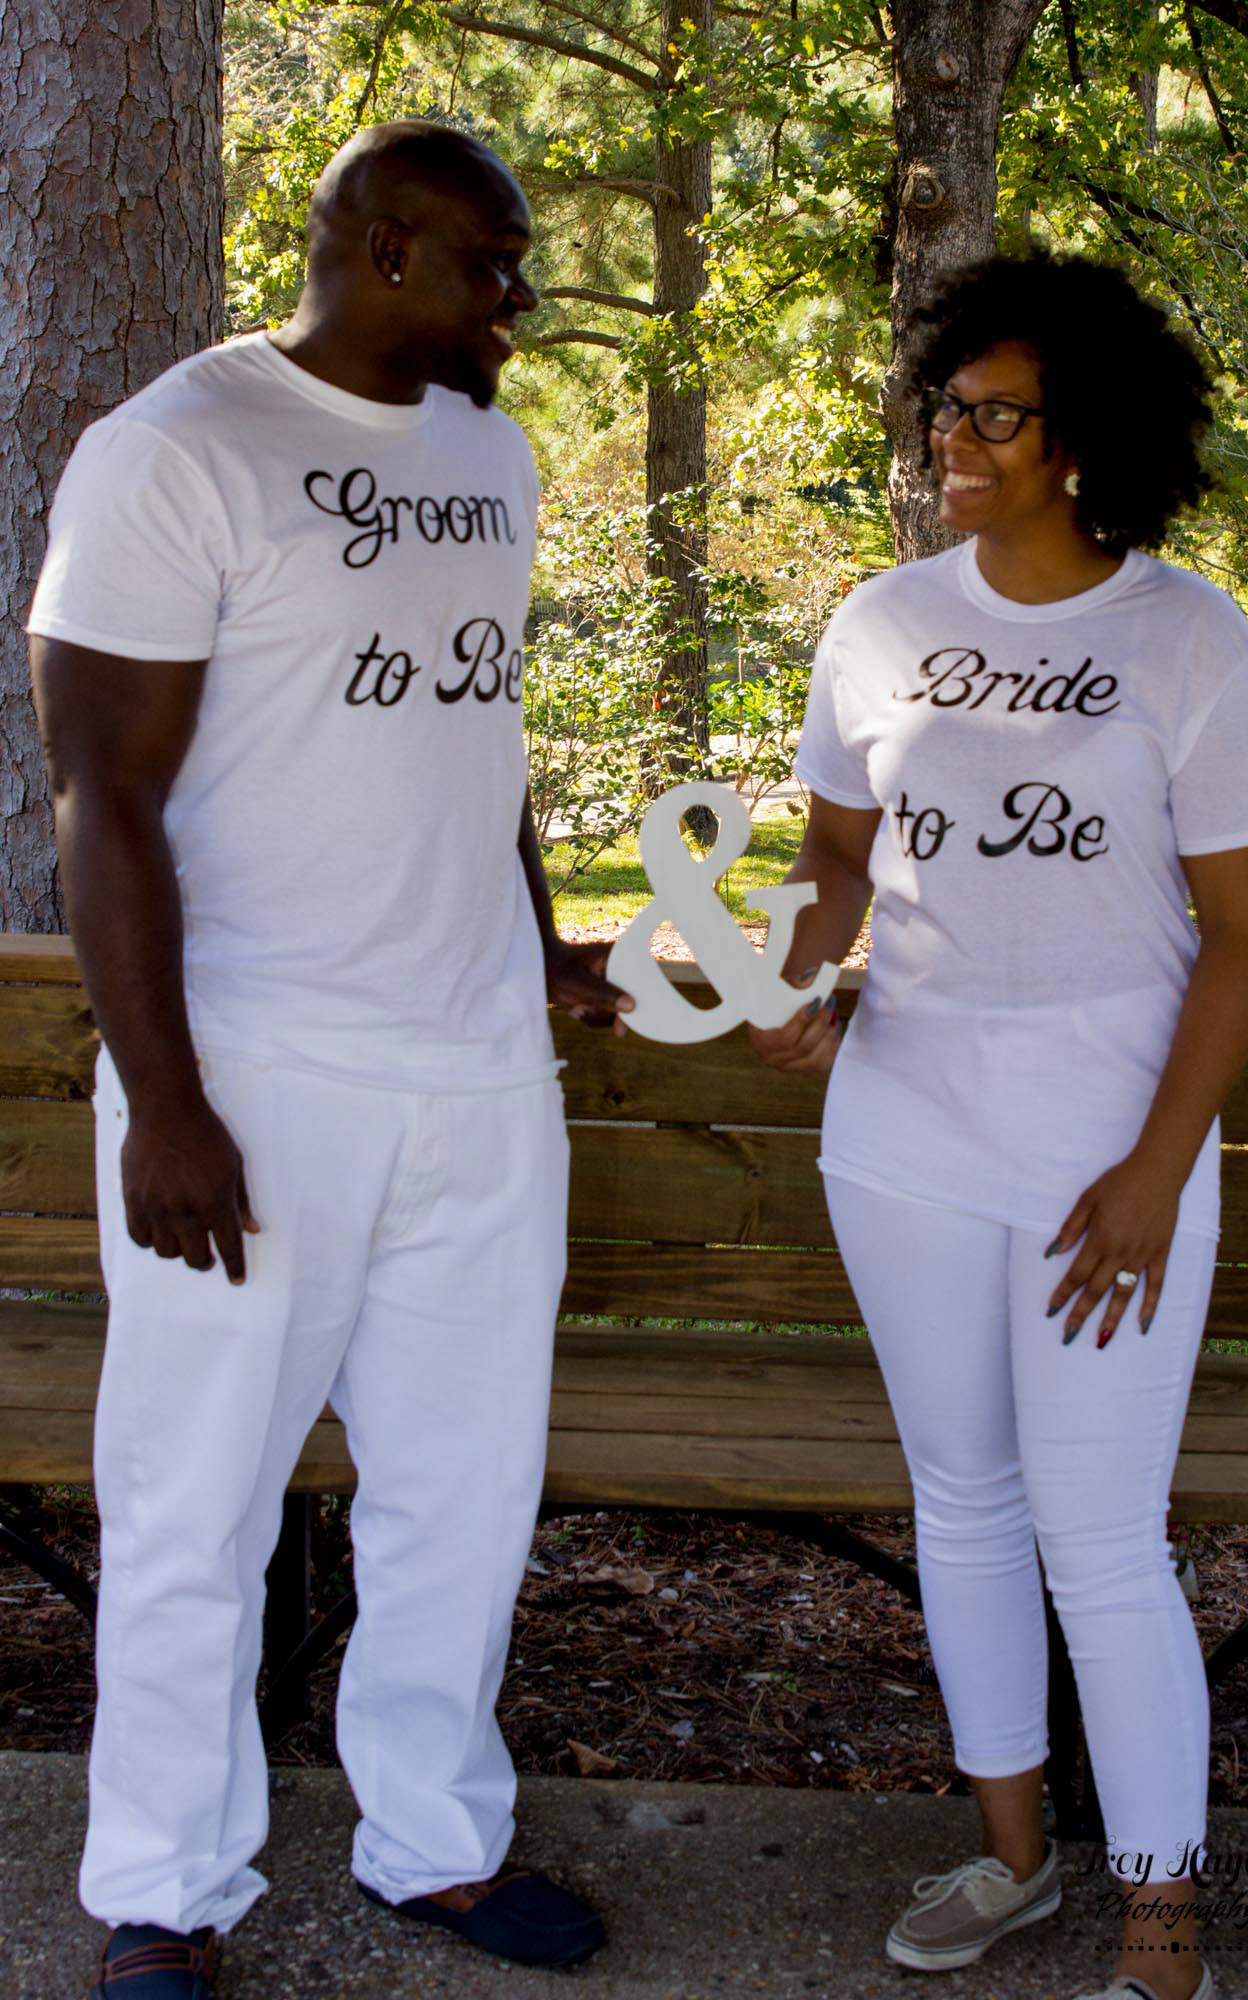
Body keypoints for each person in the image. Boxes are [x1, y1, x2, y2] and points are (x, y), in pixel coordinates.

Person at [28, 120, 628, 2000]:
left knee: (462, 1490)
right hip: (257, 1074)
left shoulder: (489, 452)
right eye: (492, 264)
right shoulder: (176, 450)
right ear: (382, 248)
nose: (518, 300)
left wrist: (539, 945)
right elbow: (102, 798)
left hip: (476, 1073)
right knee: (195, 1499)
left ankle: (432, 1846)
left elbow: (477, 730)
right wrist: (167, 1103)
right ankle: (164, 1891)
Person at [750, 252, 1248, 2000]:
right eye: (949, 407)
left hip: (1103, 1158)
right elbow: (834, 857)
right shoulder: (879, 621)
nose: (956, 442)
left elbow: (1239, 938)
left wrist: (1154, 1170)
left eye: (998, 417)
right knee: (963, 1503)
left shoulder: (1185, 637)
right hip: (902, 1129)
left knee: (1101, 1535)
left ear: (1086, 442)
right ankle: (1010, 1860)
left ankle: (1162, 1930)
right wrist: (790, 975)